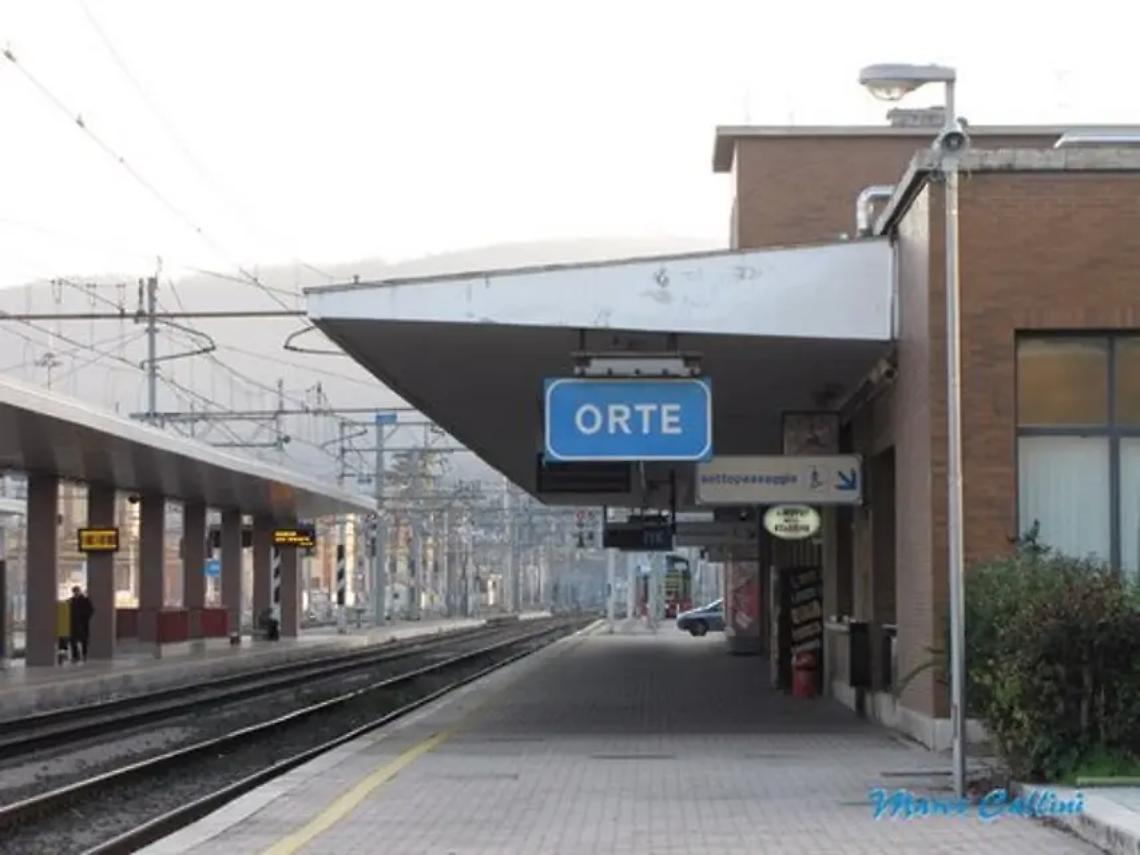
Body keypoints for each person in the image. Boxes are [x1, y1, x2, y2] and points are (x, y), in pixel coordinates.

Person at [69, 586, 94, 662]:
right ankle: (75, 656)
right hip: (73, 623)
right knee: (73, 640)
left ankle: (84, 654)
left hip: (82, 623)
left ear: (79, 591)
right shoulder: (71, 600)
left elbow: (91, 610)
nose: (76, 593)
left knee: (84, 640)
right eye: (74, 592)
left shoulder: (85, 600)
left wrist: (85, 617)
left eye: (77, 591)